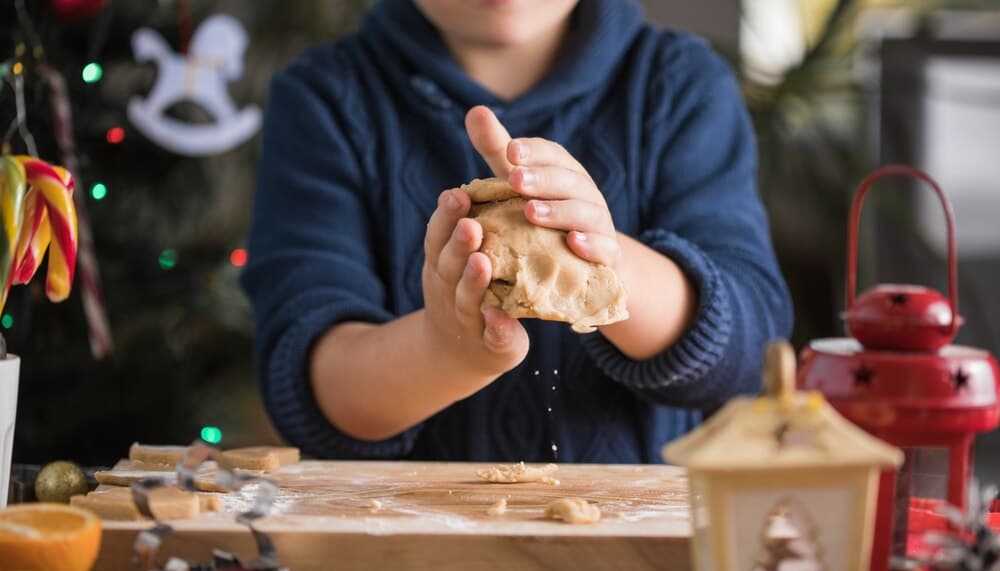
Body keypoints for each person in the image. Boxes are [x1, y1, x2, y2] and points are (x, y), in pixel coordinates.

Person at [242, 0, 793, 463]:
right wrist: (443, 352)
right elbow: (313, 385)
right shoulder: (324, 98)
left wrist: (609, 266)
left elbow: (752, 349)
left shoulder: (679, 86)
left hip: (641, 559)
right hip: (408, 559)